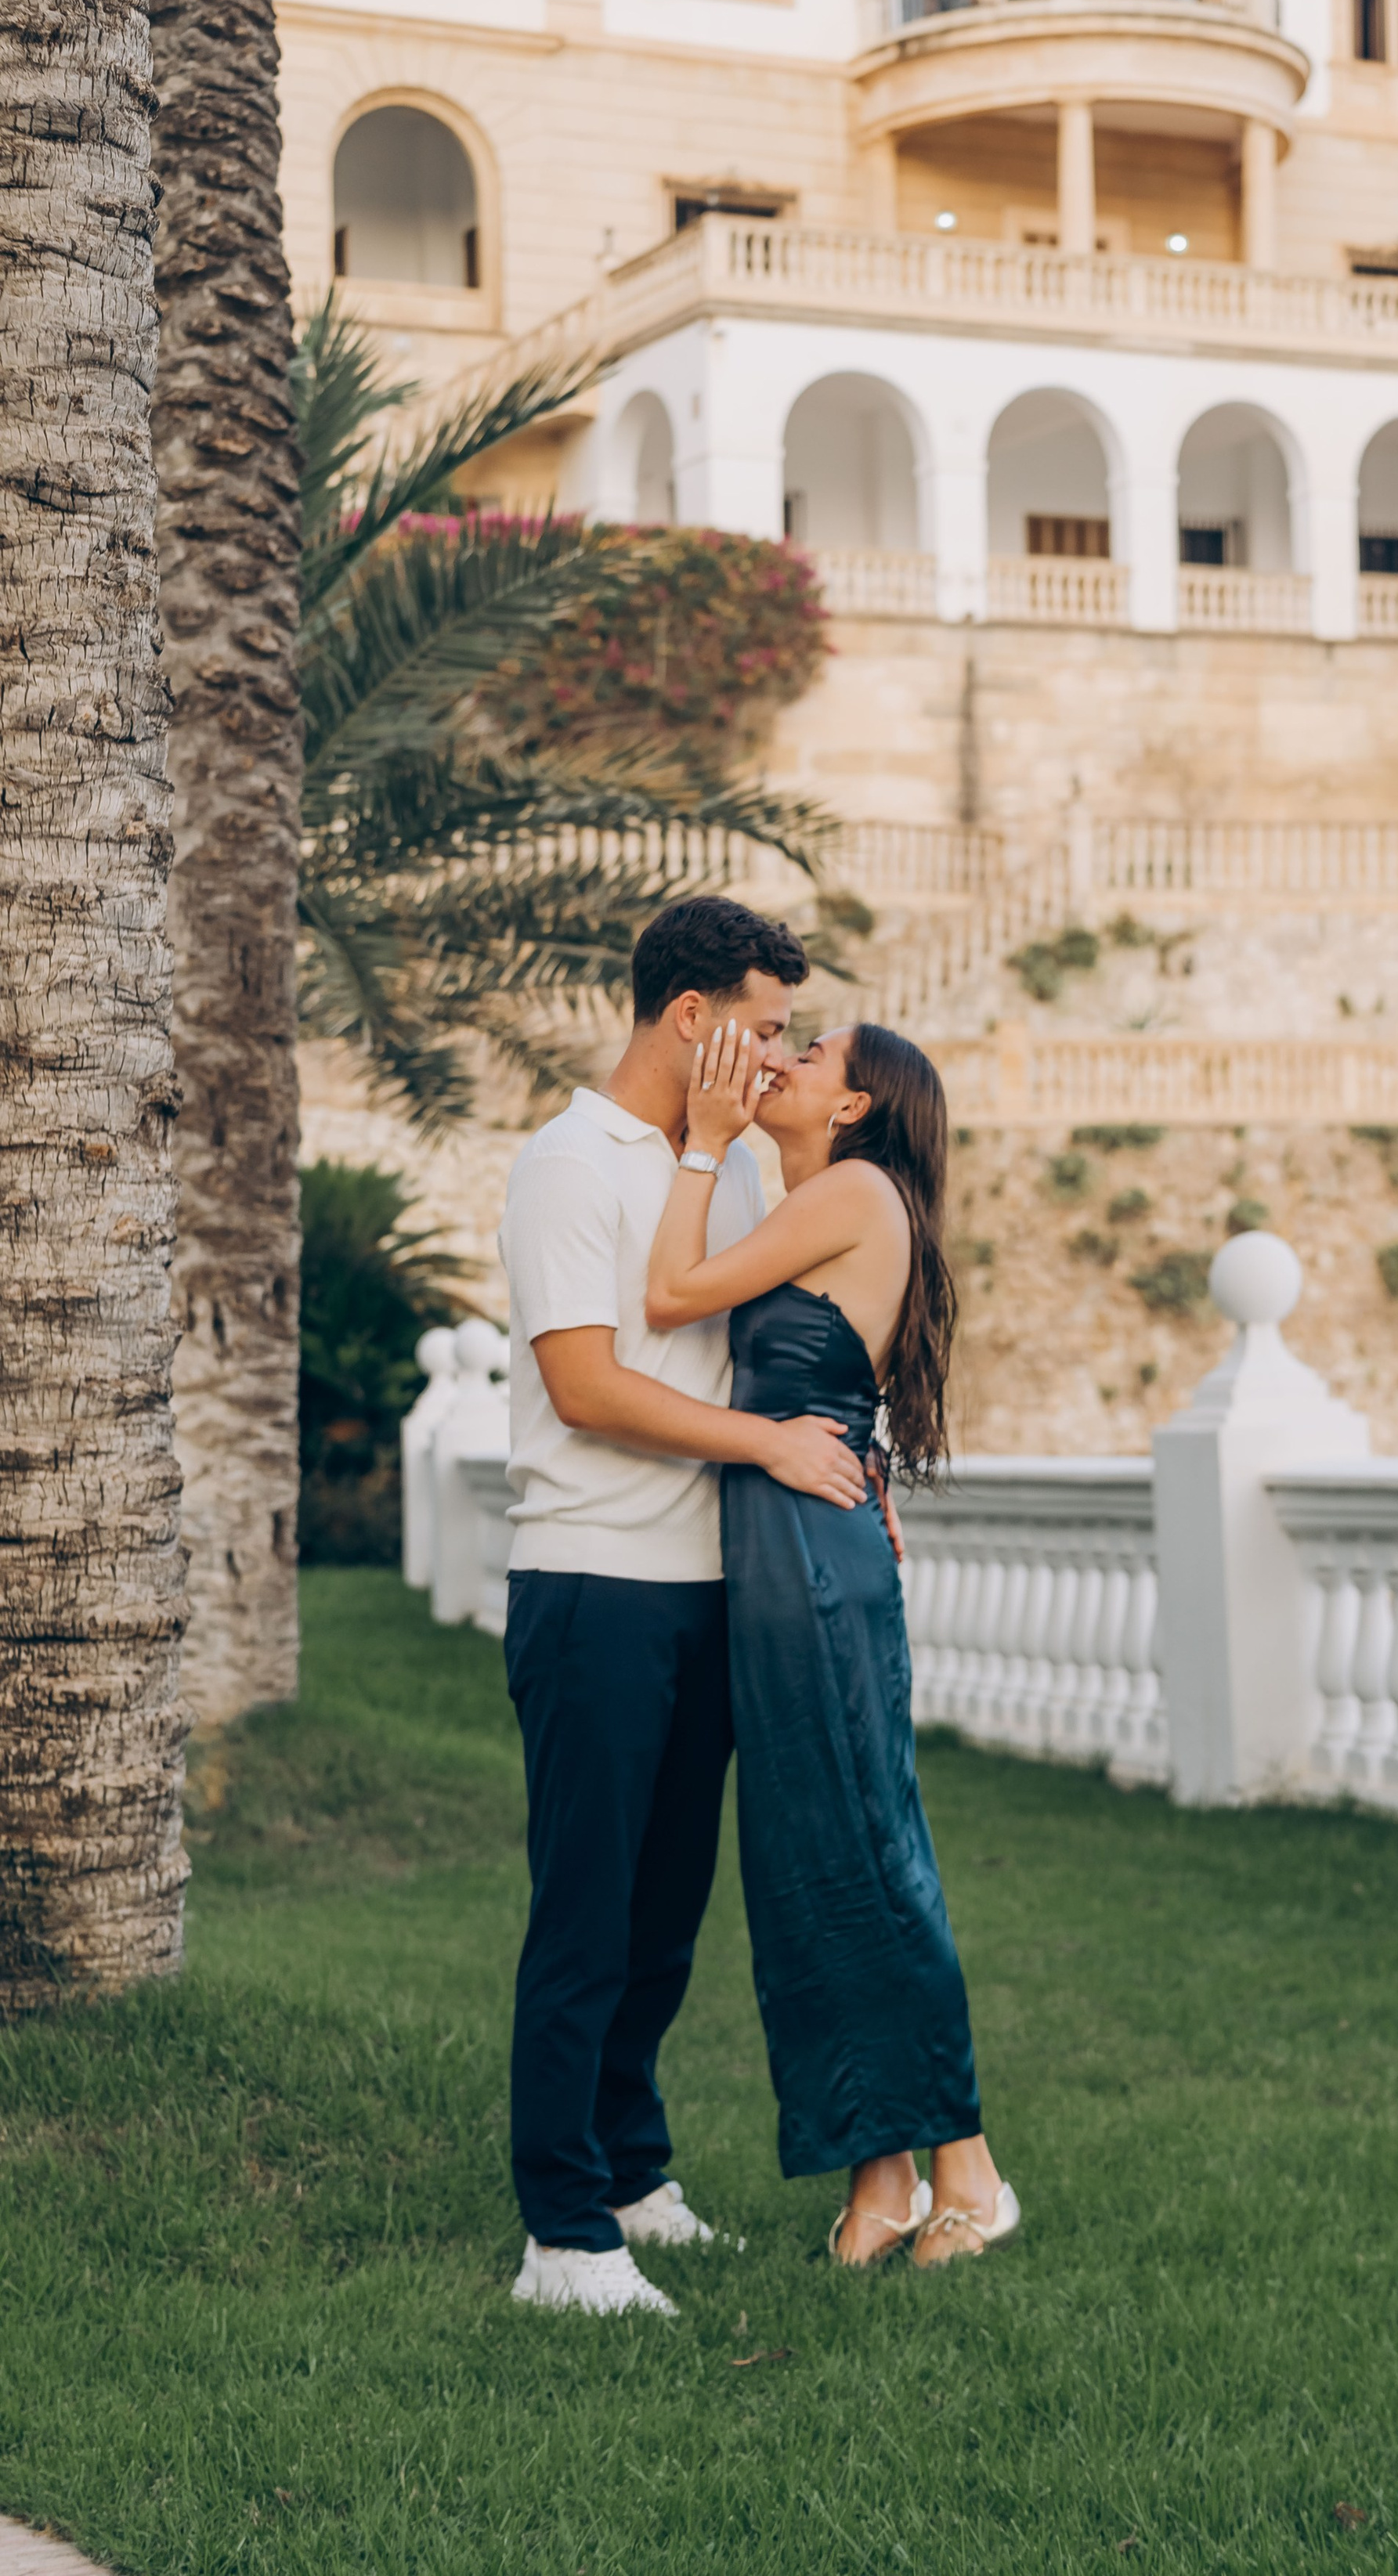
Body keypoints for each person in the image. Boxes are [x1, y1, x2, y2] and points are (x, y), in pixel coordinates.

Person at [497, 895, 871, 2320]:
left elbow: (756, 1349)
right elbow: (588, 1384)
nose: (779, 1053)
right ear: (693, 1019)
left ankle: (633, 2170)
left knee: (664, 1919)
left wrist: (838, 1452)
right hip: (592, 1584)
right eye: (766, 1027)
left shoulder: (731, 1168)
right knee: (585, 1915)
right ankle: (563, 2233)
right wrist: (770, 1449)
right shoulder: (569, 1164)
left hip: (708, 1589)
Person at [645, 1013, 1017, 2269]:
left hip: (811, 1557)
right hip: (783, 1543)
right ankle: (882, 2173)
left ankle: (970, 2168)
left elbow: (672, 1294)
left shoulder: (851, 1188)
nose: (786, 1061)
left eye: (813, 1058)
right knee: (809, 1862)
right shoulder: (816, 1190)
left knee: (866, 1846)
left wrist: (700, 1144)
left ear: (854, 1106)